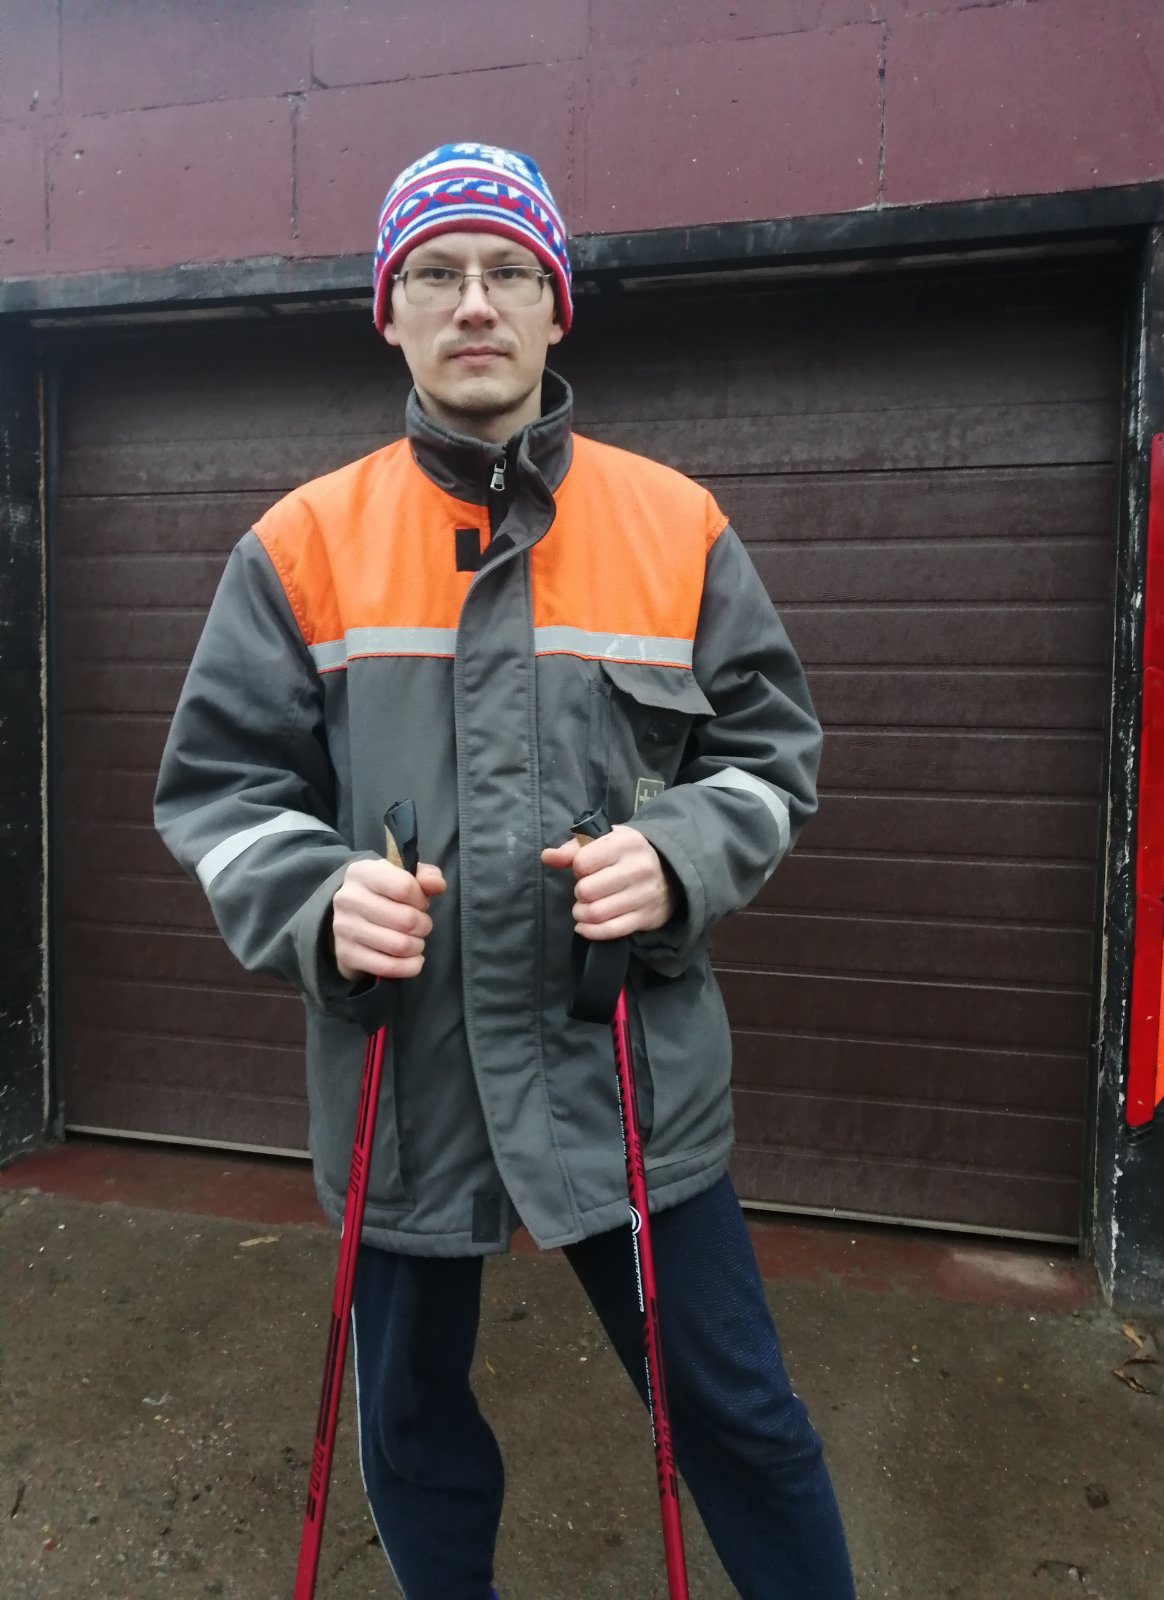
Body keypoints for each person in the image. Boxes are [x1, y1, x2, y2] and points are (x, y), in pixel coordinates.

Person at [155, 142, 855, 1600]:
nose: (474, 303)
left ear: (554, 309)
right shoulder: (299, 547)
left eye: (507, 273)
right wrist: (317, 896)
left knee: (739, 1415)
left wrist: (677, 856)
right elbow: (221, 792)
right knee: (412, 1431)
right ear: (389, 313)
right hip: (403, 1084)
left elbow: (771, 758)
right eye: (436, 273)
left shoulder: (677, 527)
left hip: (630, 1075)